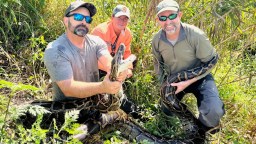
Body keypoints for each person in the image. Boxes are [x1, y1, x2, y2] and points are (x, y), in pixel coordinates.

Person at [151, 0, 225, 140]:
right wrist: (162, 85)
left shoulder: (196, 35)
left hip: (200, 77)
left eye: (172, 16)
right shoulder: (157, 40)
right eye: (163, 18)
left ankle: (203, 131)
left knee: (213, 111)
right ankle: (176, 130)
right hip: (173, 80)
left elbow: (212, 61)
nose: (168, 22)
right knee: (165, 114)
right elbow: (158, 64)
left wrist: (189, 81)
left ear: (180, 15)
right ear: (158, 20)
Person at [44, 1, 128, 101]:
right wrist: (102, 87)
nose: (84, 22)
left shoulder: (96, 42)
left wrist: (119, 71)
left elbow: (108, 62)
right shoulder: (55, 50)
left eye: (88, 19)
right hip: (68, 109)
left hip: (94, 102)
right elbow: (68, 89)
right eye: (78, 17)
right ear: (66, 21)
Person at [91, 4, 133, 78]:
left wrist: (129, 68)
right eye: (119, 18)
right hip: (97, 67)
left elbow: (127, 53)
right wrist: (112, 69)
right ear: (112, 18)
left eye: (125, 19)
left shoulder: (127, 33)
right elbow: (91, 57)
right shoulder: (100, 31)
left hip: (115, 66)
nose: (122, 21)